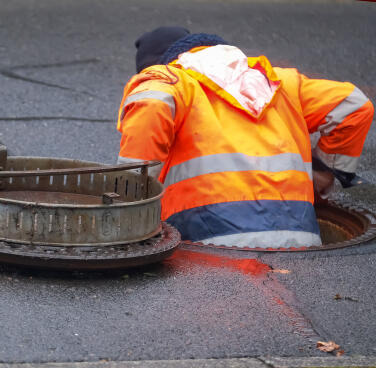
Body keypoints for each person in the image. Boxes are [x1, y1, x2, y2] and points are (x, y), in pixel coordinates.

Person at [116, 27, 374, 248]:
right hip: (300, 234)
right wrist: (324, 173)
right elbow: (354, 105)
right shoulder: (280, 82)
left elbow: (151, 103)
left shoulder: (172, 81)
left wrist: (128, 206)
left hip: (208, 238)